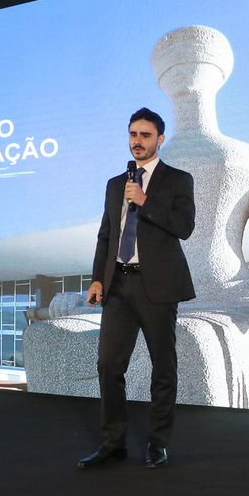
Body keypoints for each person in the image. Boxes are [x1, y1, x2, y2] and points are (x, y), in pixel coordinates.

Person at [76, 108, 195, 469]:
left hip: (156, 287)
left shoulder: (178, 180)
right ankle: (113, 444)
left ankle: (158, 444)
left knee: (163, 368)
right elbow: (106, 235)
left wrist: (146, 201)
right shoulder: (116, 184)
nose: (137, 141)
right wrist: (98, 278)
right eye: (132, 134)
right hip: (118, 287)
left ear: (160, 139)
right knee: (108, 364)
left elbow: (184, 227)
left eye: (145, 135)